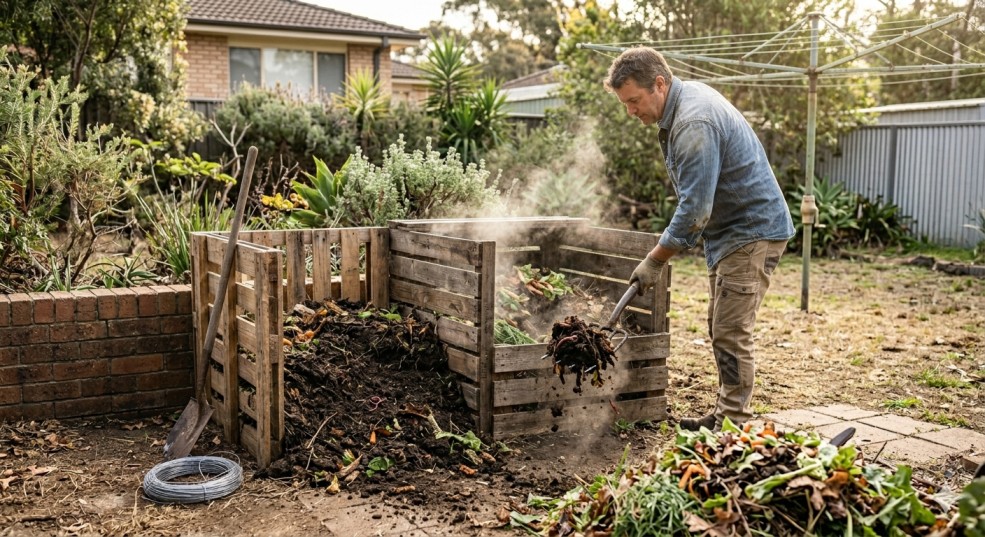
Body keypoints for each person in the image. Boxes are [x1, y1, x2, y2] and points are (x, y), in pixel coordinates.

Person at [604, 46, 795, 431]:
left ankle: (735, 426)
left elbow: (694, 212)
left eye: (635, 101)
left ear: (659, 83)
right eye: (625, 104)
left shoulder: (694, 121)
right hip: (730, 234)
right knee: (720, 325)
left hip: (751, 232)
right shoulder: (684, 104)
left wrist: (654, 260)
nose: (631, 112)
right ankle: (727, 413)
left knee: (730, 330)